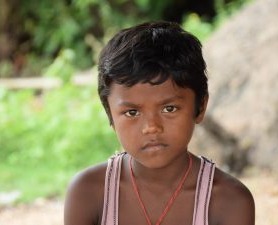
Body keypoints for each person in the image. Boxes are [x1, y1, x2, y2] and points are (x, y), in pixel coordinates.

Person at [64, 21, 255, 225]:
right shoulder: (89, 193)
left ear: (200, 107)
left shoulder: (228, 201)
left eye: (169, 109)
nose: (152, 127)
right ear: (110, 114)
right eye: (132, 112)